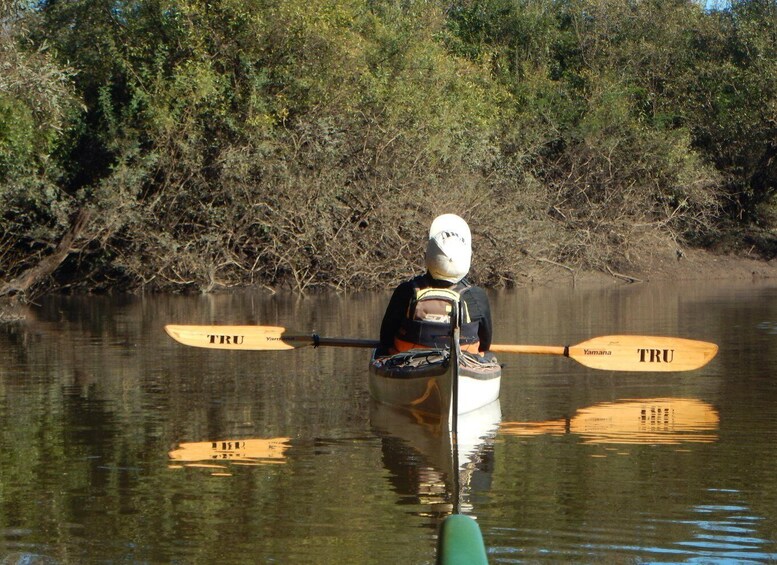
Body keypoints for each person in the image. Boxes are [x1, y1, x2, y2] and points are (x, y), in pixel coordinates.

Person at [377, 213, 493, 356]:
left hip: (408, 359)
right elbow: (485, 343)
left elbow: (386, 338)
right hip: (464, 359)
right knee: (488, 355)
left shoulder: (406, 291)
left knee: (381, 351)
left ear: (428, 257)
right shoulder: (476, 296)